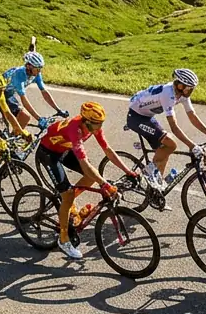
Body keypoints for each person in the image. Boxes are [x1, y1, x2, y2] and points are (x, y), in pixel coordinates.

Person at [37, 102, 134, 260]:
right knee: (68, 194)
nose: (99, 128)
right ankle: (63, 239)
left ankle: (67, 205)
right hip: (49, 154)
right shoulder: (74, 130)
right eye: (96, 125)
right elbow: (84, 163)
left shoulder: (92, 126)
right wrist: (105, 184)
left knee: (89, 178)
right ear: (86, 121)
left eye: (101, 124)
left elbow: (108, 150)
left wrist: (128, 171)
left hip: (64, 148)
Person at [127, 68, 206, 192]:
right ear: (180, 85)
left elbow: (192, 116)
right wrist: (193, 146)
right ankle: (149, 171)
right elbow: (174, 127)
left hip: (147, 116)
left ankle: (155, 191)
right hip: (136, 117)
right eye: (189, 88)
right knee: (171, 144)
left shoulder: (182, 94)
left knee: (165, 151)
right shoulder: (168, 94)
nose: (191, 91)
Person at [3, 51, 66, 134]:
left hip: (10, 94)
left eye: (40, 68)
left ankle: (13, 134)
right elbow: (24, 100)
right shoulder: (19, 75)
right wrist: (39, 119)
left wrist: (58, 110)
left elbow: (44, 92)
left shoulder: (35, 74)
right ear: (29, 66)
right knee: (25, 117)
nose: (39, 71)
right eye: (37, 68)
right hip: (0, 93)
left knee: (22, 118)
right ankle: (11, 142)